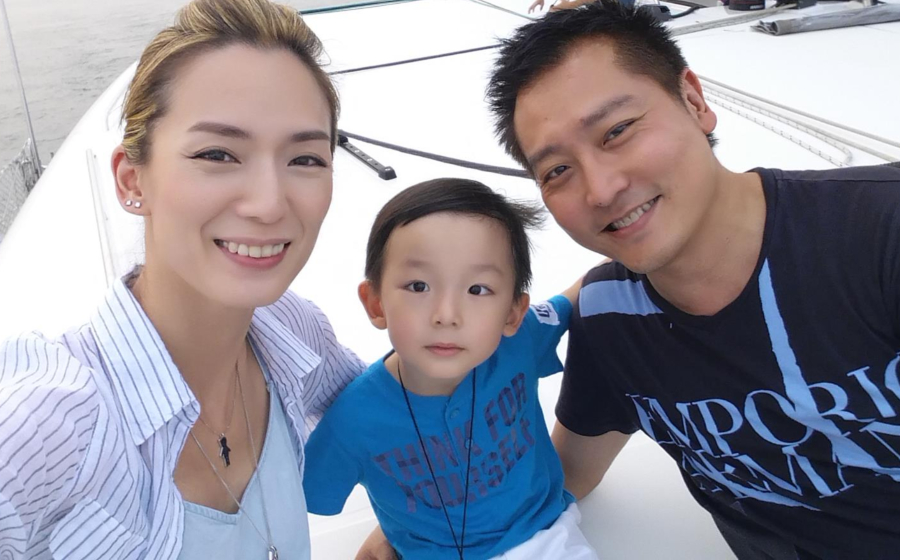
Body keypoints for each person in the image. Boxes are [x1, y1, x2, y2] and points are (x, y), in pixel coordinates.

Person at [486, 1, 900, 559]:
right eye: (557, 170)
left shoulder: (878, 235)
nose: (601, 190)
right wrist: (427, 518)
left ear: (694, 101)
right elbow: (570, 473)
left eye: (617, 131)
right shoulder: (611, 319)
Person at [0, 0, 369, 558]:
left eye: (305, 159)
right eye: (218, 154)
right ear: (132, 180)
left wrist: (409, 524)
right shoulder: (53, 422)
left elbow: (396, 408)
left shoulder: (292, 331)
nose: (270, 203)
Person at [302, 178, 594, 560]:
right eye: (418, 286)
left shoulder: (520, 339)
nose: (446, 315)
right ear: (375, 303)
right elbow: (299, 499)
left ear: (513, 313)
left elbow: (578, 292)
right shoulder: (352, 420)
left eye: (477, 289)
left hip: (544, 536)